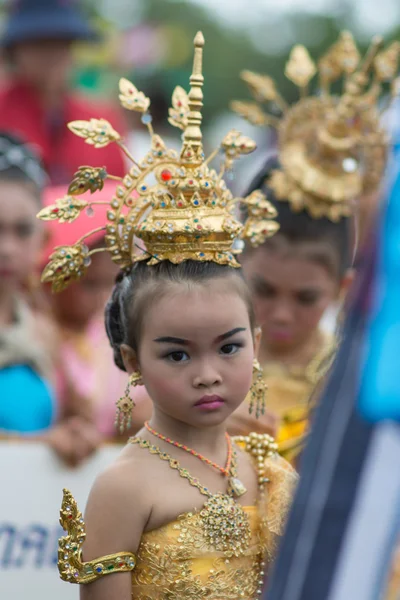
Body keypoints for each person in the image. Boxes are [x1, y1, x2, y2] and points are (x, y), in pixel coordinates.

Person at [41, 32, 297, 599]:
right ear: (131, 359)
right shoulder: (124, 488)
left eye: (229, 347)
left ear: (255, 341)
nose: (207, 372)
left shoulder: (267, 466)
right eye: (177, 353)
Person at [228, 32, 396, 461]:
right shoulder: (197, 355)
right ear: (237, 264)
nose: (282, 314)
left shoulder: (353, 382)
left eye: (306, 298)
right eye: (263, 290)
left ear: (343, 288)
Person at [0, 131, 100, 466]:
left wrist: (79, 432)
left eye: (22, 231)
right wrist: (41, 445)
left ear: (42, 240)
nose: (7, 248)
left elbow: (73, 421)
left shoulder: (43, 332)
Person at [43, 183, 152, 439]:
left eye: (113, 282)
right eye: (90, 284)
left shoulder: (113, 335)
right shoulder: (41, 334)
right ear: (53, 278)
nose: (105, 296)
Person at [0, 0, 126, 184]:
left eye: (62, 43)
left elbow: (119, 194)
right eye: (39, 44)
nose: (52, 55)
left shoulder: (102, 122)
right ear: (15, 50)